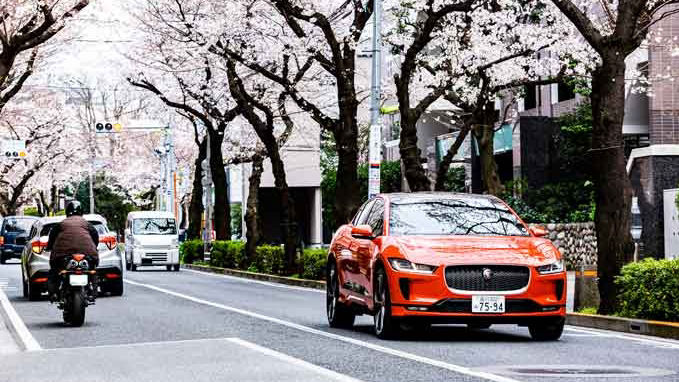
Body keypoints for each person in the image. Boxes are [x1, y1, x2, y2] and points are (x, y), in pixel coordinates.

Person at [46, 201, 99, 301]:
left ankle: (53, 293)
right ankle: (94, 292)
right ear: (81, 212)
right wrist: (94, 248)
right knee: (92, 269)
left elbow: (52, 237)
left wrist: (49, 247)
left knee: (54, 271)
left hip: (63, 254)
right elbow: (95, 236)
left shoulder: (61, 224)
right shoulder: (87, 224)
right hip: (88, 253)